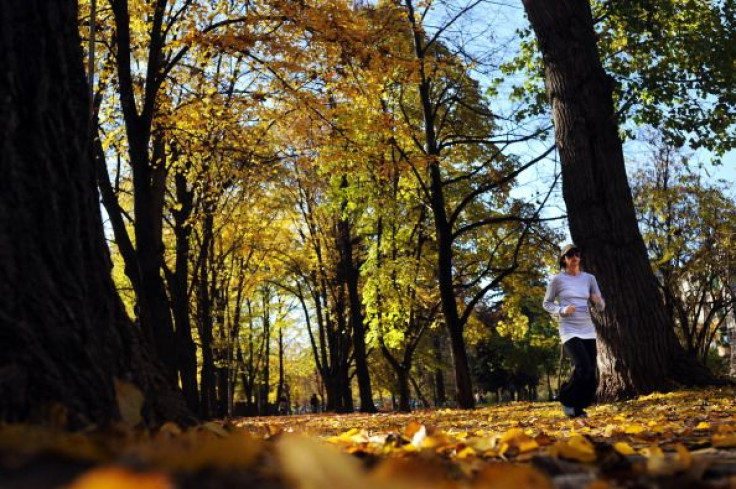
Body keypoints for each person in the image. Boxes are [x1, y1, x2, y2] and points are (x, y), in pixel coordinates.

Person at [543, 243, 605, 418]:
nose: (574, 257)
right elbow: (546, 303)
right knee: (582, 365)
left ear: (580, 257)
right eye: (570, 255)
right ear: (564, 259)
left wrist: (597, 300)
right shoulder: (557, 280)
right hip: (568, 328)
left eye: (577, 254)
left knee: (590, 371)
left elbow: (601, 307)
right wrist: (562, 310)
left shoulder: (589, 279)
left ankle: (577, 408)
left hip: (587, 328)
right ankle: (566, 397)